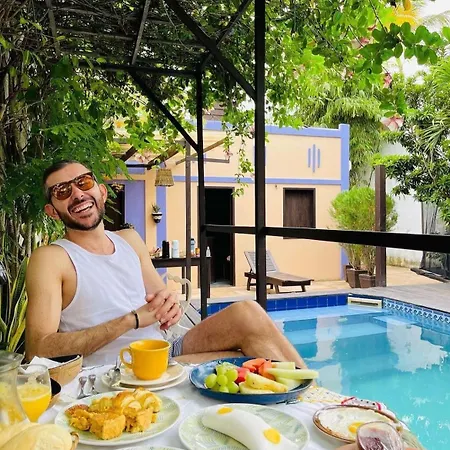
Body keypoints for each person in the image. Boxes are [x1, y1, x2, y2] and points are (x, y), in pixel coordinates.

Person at [25, 160, 308, 367]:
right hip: (117, 369)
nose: (77, 194)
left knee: (248, 315)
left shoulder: (129, 239)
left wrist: (169, 304)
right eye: (62, 191)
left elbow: (160, 299)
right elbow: (38, 348)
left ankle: (318, 405)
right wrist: (130, 320)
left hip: (164, 352)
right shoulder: (52, 258)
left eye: (83, 183)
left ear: (101, 191)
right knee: (256, 358)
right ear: (52, 211)